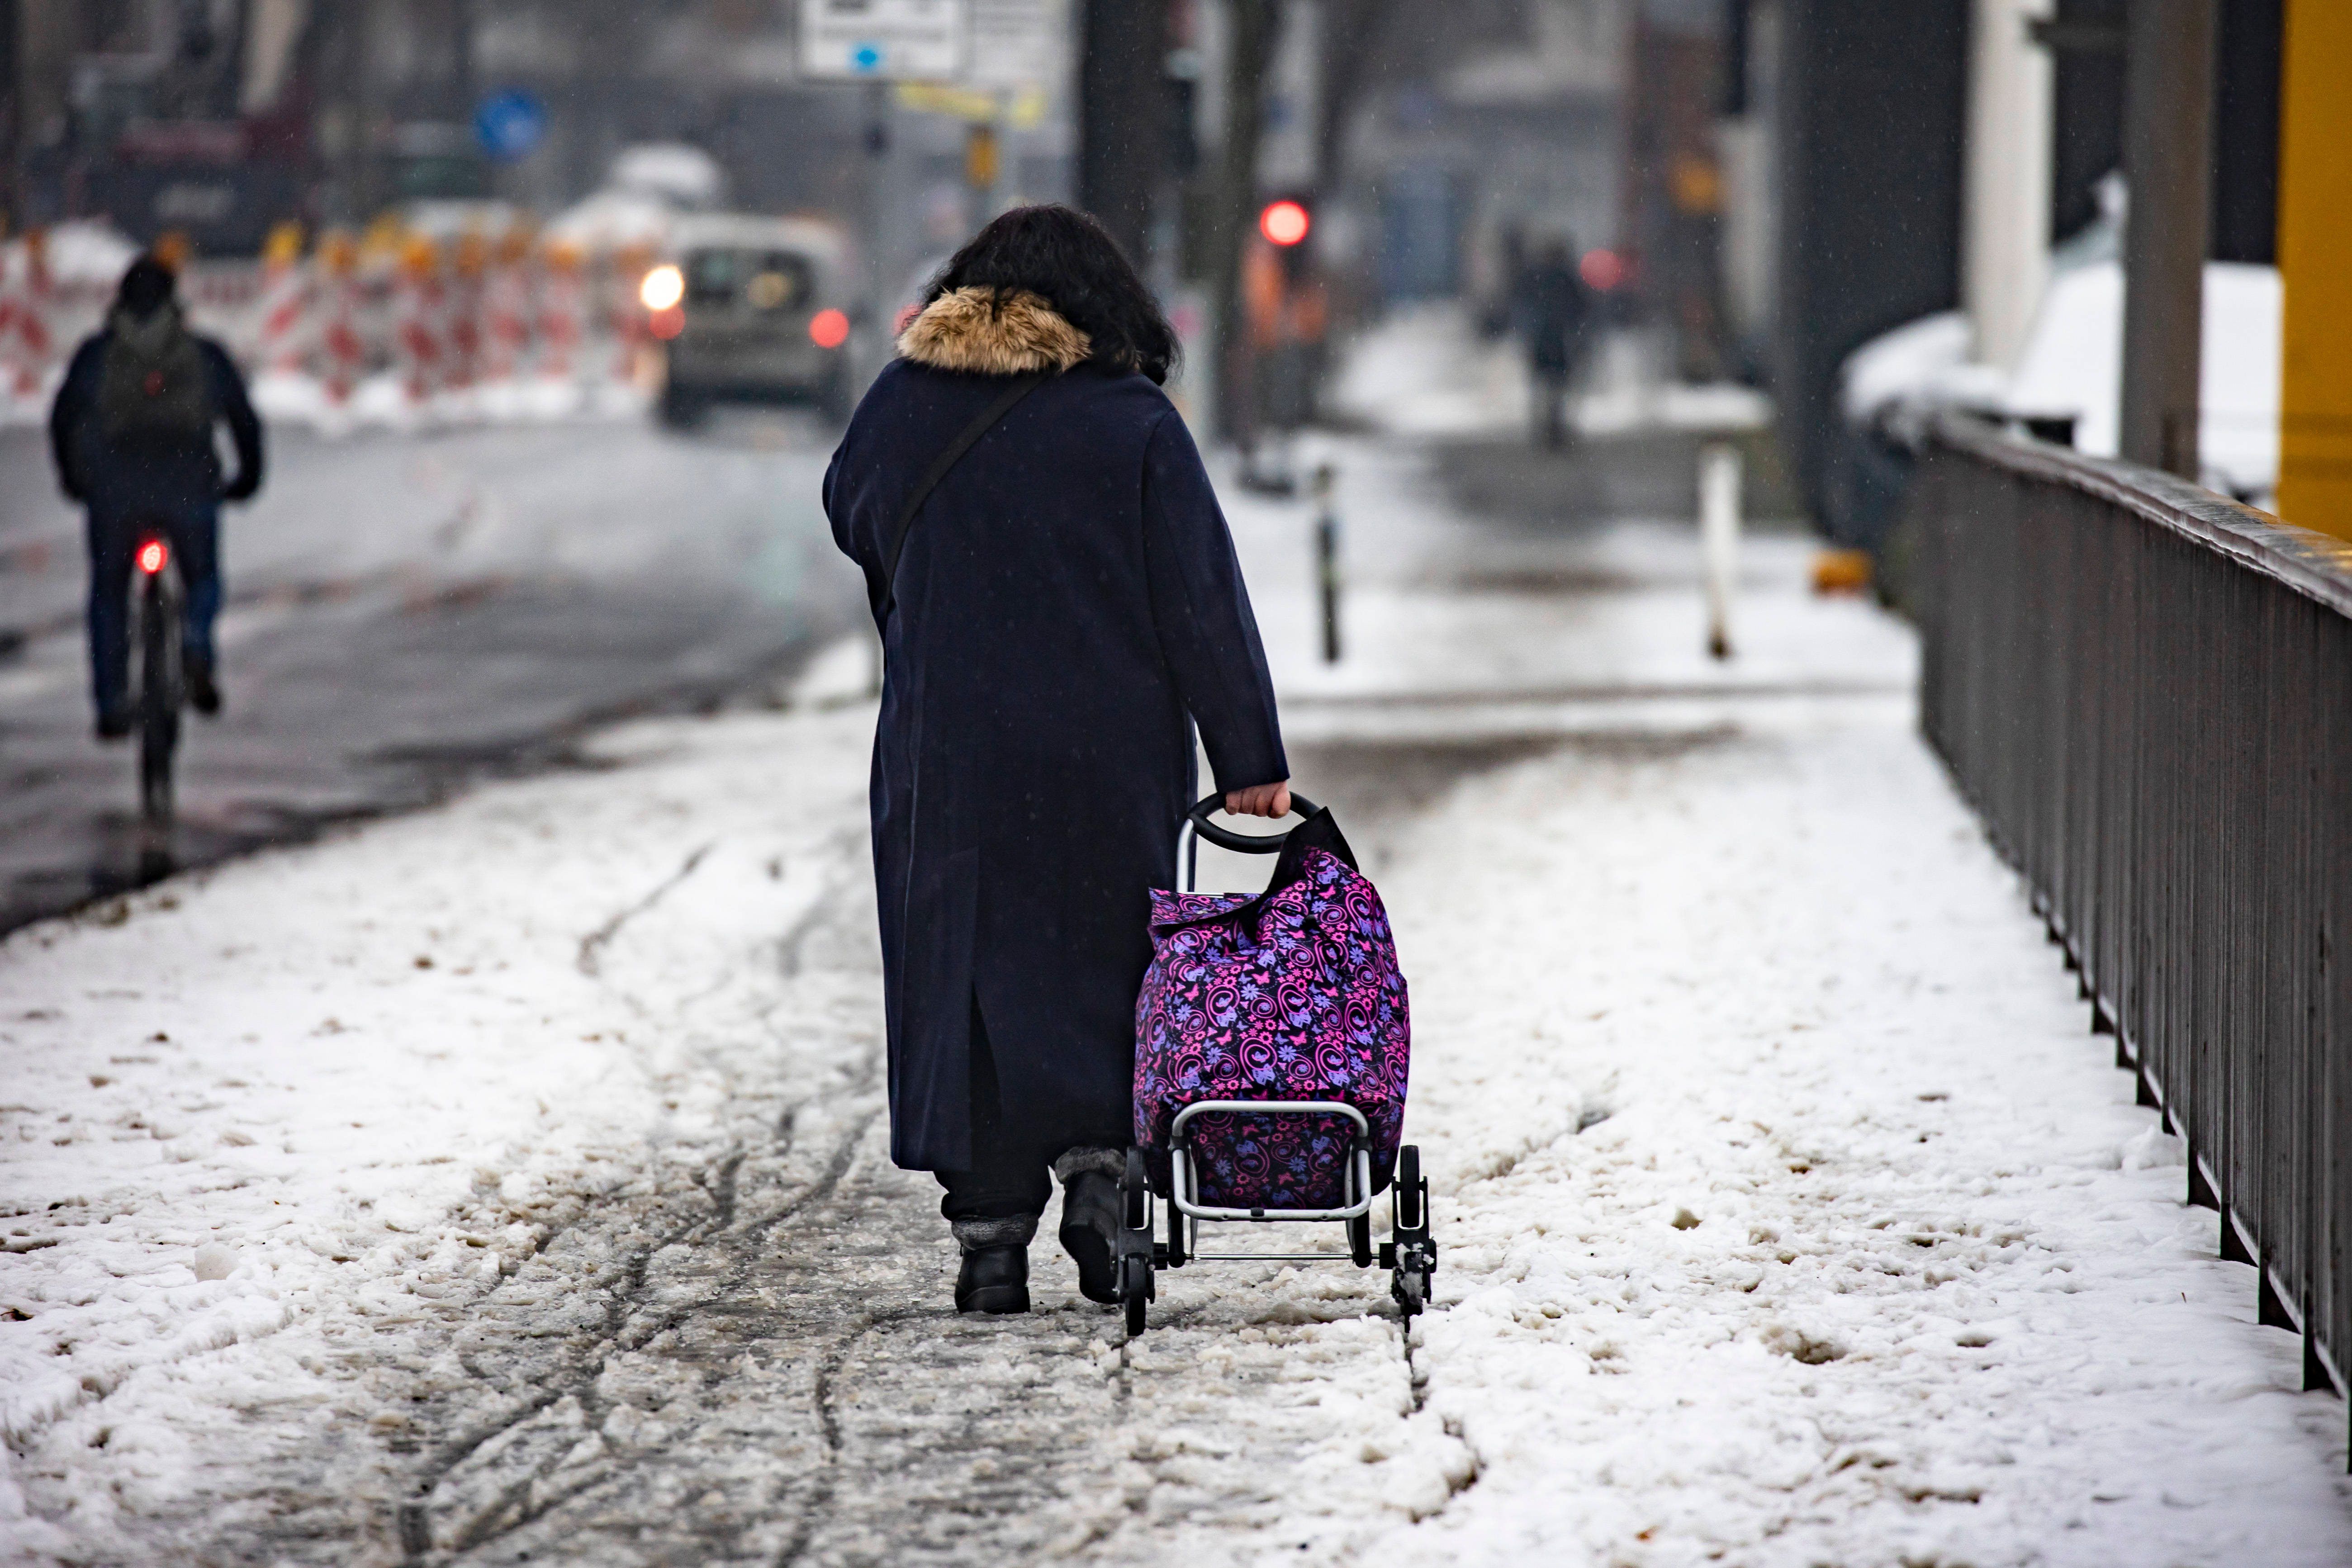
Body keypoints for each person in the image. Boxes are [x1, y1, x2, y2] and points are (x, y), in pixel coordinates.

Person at [824, 206, 1290, 1316]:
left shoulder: (901, 404)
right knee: (1103, 959)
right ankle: (1100, 1188)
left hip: (947, 755)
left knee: (964, 971)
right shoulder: (1128, 420)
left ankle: (988, 1238)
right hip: (1103, 749)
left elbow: (852, 510)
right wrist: (1247, 757)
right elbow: (1199, 600)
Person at [49, 255, 262, 738]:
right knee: (203, 577)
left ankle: (109, 702)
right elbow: (244, 421)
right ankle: (196, 644)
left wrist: (75, 478)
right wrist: (245, 478)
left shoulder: (97, 355)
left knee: (108, 593)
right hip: (189, 487)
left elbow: (63, 420)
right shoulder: (203, 354)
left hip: (114, 493)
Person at [1514, 237, 1592, 450]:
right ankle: (1554, 428)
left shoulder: (1534, 276)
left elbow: (1523, 306)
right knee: (1557, 387)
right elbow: (1581, 308)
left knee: (1544, 386)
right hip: (1558, 340)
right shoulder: (1565, 278)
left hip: (1543, 339)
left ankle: (1546, 429)